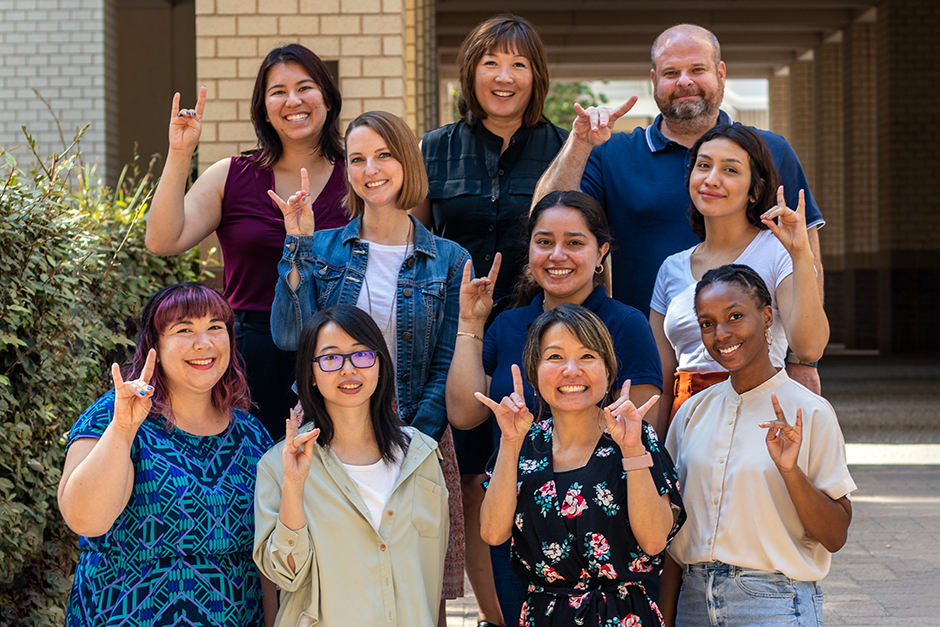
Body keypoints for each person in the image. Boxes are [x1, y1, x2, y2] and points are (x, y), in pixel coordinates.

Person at [532, 23, 826, 392]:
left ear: (720, 74)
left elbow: (806, 254)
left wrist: (804, 361)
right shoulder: (614, 154)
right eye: (671, 73)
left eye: (697, 69)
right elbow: (546, 215)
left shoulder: (771, 150)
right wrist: (579, 143)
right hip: (638, 360)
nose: (684, 81)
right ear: (654, 81)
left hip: (756, 370)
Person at [269, 110, 470, 616]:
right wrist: (296, 243)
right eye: (357, 159)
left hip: (418, 441)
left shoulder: (449, 258)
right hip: (331, 441)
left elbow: (446, 361)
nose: (370, 168)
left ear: (406, 162)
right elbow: (293, 336)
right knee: (335, 586)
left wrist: (408, 439)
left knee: (419, 592)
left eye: (383, 155)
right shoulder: (326, 245)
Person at [413, 16, 568, 624]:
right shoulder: (434, 149)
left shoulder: (564, 147)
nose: (504, 77)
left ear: (537, 77)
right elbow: (417, 244)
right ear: (469, 72)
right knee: (476, 481)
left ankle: (550, 601)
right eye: (490, 63)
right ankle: (496, 615)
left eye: (519, 64)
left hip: (548, 332)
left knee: (551, 470)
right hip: (464, 339)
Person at [447, 190, 663, 624]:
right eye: (544, 241)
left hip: (613, 535)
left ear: (601, 251)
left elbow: (641, 430)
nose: (557, 255)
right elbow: (465, 413)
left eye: (575, 242)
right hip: (523, 533)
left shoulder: (625, 323)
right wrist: (470, 323)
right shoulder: (508, 322)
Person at [146, 44, 348, 441]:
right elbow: (162, 239)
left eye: (305, 87)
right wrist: (180, 153)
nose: (293, 101)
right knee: (253, 481)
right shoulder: (231, 175)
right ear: (263, 107)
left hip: (338, 350)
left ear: (327, 98)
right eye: (278, 92)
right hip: (248, 355)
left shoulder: (357, 177)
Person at [58, 282, 275, 627]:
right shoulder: (111, 415)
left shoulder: (252, 435)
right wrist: (123, 429)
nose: (203, 343)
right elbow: (86, 520)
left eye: (215, 328)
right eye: (184, 330)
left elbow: (265, 556)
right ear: (153, 345)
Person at [660, 265, 855, 627]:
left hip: (775, 603)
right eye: (707, 323)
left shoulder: (809, 411)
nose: (721, 334)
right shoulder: (690, 414)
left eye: (735, 316)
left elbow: (835, 535)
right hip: (693, 601)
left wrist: (789, 472)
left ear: (767, 317)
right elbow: (673, 533)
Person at [478, 304, 685, 627]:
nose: (571, 370)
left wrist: (631, 450)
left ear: (608, 371)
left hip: (623, 615)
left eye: (588, 356)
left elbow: (655, 541)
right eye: (555, 357)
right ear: (534, 371)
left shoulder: (633, 435)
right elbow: (492, 532)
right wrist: (509, 443)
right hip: (544, 615)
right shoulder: (522, 442)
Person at [254, 304, 448, 626]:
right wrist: (294, 485)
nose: (348, 370)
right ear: (311, 374)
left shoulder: (421, 455)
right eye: (330, 358)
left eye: (361, 354)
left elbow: (430, 573)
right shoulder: (278, 464)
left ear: (380, 365)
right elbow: (285, 575)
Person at [649, 124, 829, 435]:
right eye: (703, 166)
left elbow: (810, 348)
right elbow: (661, 377)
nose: (711, 179)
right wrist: (653, 454)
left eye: (730, 170)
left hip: (760, 419)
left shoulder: (779, 251)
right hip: (688, 424)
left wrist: (802, 255)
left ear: (755, 190)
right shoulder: (670, 268)